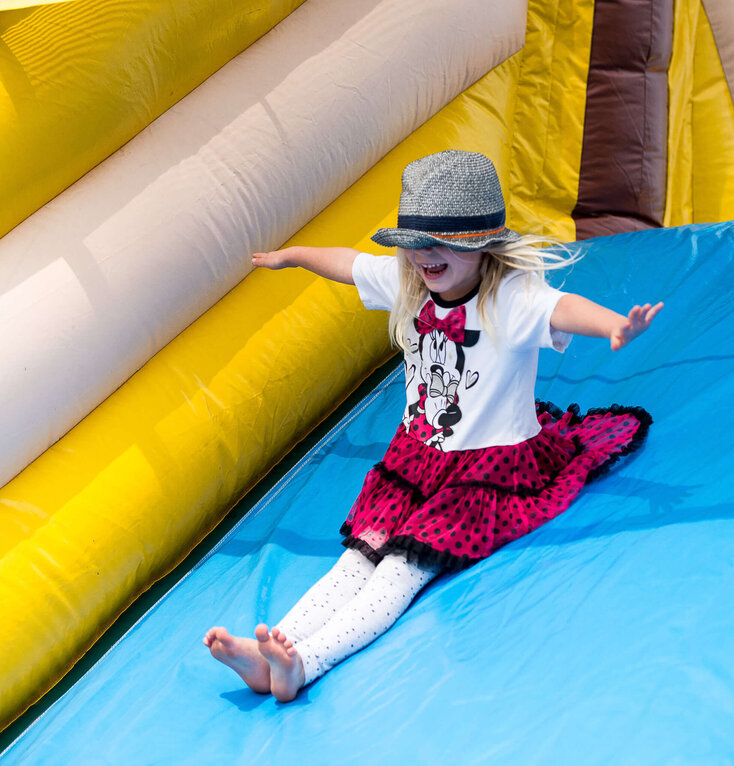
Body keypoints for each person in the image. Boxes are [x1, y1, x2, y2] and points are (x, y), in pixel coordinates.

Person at [203, 150, 662, 702]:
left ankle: (305, 663)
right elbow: (347, 264)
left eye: (443, 242)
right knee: (356, 558)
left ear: (481, 244)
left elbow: (563, 309)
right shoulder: (410, 284)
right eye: (415, 242)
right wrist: (293, 256)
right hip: (416, 460)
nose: (424, 256)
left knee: (399, 568)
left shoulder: (508, 298)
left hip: (486, 471)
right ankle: (272, 650)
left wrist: (615, 327)